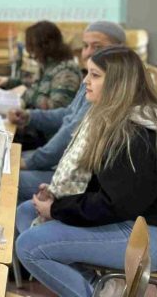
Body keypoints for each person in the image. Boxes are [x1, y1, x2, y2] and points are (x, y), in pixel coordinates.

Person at [15, 46, 157, 297]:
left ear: (116, 83)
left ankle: (96, 292)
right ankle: (102, 287)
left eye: (94, 75)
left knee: (29, 245)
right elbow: (104, 188)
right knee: (27, 210)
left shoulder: (138, 134)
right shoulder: (116, 120)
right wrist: (58, 198)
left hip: (152, 237)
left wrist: (58, 209)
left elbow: (115, 205)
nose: (85, 81)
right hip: (130, 220)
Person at [12, 21, 126, 202]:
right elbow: (68, 114)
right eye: (85, 46)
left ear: (120, 49)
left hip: (80, 179)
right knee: (6, 162)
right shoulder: (92, 78)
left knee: (6, 179)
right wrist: (30, 117)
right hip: (64, 162)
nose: (88, 52)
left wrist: (31, 162)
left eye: (97, 46)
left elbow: (71, 131)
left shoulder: (109, 87)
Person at [0, 20, 81, 111]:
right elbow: (37, 85)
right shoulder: (49, 66)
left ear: (45, 47)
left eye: (33, 49)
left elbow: (55, 108)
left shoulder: (67, 71)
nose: (32, 55)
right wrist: (9, 82)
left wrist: (27, 94)